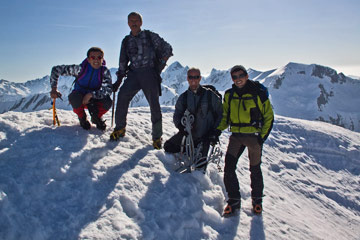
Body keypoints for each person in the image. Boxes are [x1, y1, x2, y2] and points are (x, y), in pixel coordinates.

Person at [110, 12, 173, 149]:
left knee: (154, 105)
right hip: (133, 74)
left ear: (141, 22)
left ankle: (157, 137)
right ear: (127, 23)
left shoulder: (150, 36)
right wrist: (119, 81)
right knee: (122, 96)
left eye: (136, 20)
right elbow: (122, 61)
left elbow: (167, 48)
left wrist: (160, 64)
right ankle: (120, 128)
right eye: (131, 20)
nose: (134, 22)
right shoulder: (126, 41)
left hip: (149, 72)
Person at [217, 65, 274, 216]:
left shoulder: (258, 93)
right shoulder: (229, 95)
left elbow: (269, 116)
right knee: (229, 168)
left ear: (246, 76)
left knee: (255, 169)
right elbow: (225, 116)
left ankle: (257, 201)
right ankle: (233, 200)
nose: (238, 79)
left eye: (240, 75)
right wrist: (217, 129)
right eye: (234, 77)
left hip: (254, 137)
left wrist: (262, 138)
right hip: (236, 136)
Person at [164, 68, 223, 170]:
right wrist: (181, 127)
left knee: (200, 166)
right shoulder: (184, 97)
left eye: (196, 77)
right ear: (187, 78)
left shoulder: (210, 96)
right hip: (188, 134)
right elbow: (177, 115)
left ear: (200, 78)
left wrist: (215, 131)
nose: (193, 79)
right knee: (168, 146)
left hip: (206, 136)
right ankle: (191, 148)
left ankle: (196, 150)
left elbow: (221, 114)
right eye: (191, 77)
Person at [50, 47, 113, 130]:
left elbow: (108, 90)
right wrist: (53, 89)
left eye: (99, 57)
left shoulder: (104, 71)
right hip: (79, 98)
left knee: (107, 101)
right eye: (93, 57)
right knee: (73, 97)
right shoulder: (79, 69)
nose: (96, 60)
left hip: (94, 99)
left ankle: (96, 117)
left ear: (102, 59)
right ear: (88, 59)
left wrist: (91, 95)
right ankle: (82, 118)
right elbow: (56, 70)